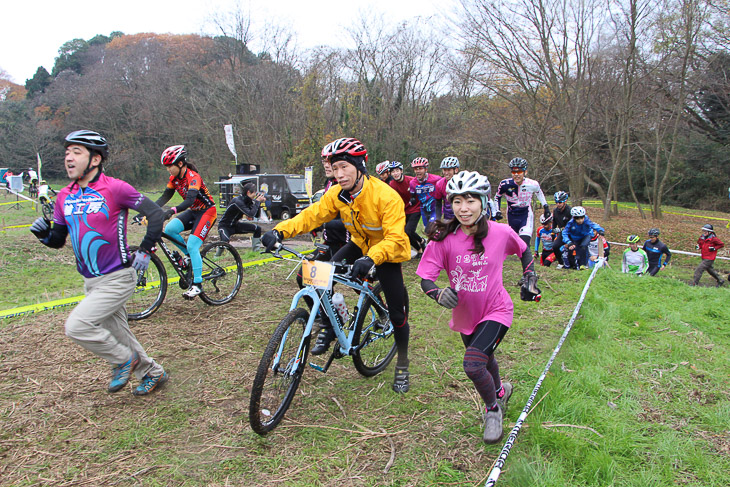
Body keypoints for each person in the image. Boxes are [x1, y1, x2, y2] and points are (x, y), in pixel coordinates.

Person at [262, 137, 413, 393]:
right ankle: (331, 325)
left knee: (398, 315)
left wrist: (371, 258)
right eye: (335, 167)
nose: (339, 174)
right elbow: (311, 216)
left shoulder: (386, 196)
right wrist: (279, 231)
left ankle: (402, 364)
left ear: (360, 166)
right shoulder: (337, 194)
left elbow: (396, 238)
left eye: (345, 167)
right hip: (358, 245)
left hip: (386, 252)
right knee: (312, 276)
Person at [29, 130, 168, 396]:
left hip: (118, 277)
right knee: (119, 333)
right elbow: (58, 240)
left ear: (95, 160)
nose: (68, 158)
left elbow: (155, 213)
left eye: (76, 152)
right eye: (67, 152)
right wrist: (43, 235)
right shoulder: (63, 197)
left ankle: (123, 360)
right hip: (91, 281)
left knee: (77, 326)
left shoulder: (115, 188)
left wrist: (146, 250)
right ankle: (153, 372)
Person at [416, 170, 540, 444]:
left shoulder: (500, 232)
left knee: (473, 365)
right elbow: (426, 277)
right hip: (465, 314)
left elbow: (524, 250)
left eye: (471, 200)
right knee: (486, 357)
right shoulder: (444, 238)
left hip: (497, 310)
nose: (464, 208)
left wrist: (529, 276)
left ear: (483, 202)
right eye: (457, 201)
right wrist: (437, 294)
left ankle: (492, 410)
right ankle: (500, 390)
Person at [155, 145, 217, 299]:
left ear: (180, 163)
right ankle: (189, 256)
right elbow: (164, 197)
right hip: (194, 211)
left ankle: (197, 285)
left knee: (192, 244)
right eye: (166, 166)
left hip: (207, 212)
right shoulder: (174, 179)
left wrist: (172, 211)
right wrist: (148, 211)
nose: (168, 169)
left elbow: (190, 200)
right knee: (169, 229)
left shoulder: (193, 176)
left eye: (170, 166)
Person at [494, 157, 550, 247]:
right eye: (513, 172)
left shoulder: (532, 184)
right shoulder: (505, 184)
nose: (516, 175)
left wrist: (546, 206)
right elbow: (497, 197)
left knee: (524, 244)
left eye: (519, 172)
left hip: (525, 214)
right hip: (511, 215)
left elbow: (539, 192)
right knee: (514, 245)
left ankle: (529, 261)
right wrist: (497, 211)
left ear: (525, 172)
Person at [388, 160, 427, 257]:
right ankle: (420, 248)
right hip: (403, 210)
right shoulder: (392, 185)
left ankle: (422, 242)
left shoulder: (411, 180)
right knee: (403, 233)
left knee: (408, 230)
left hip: (416, 208)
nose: (395, 173)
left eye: (397, 170)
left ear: (401, 171)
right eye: (393, 172)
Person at [217, 182, 266, 252]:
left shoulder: (248, 201)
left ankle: (256, 252)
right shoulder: (237, 201)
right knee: (224, 242)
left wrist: (259, 203)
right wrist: (257, 202)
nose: (255, 196)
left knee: (257, 229)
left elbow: (256, 215)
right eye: (254, 193)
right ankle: (217, 257)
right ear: (248, 192)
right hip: (224, 226)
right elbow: (250, 214)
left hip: (235, 225)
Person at [409, 157, 445, 229]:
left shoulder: (436, 179)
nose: (418, 171)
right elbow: (413, 197)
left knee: (431, 229)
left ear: (426, 169)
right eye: (416, 169)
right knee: (428, 231)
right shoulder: (412, 183)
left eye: (420, 168)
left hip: (435, 208)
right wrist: (412, 200)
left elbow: (444, 185)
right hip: (424, 210)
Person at [550, 191, 572, 268]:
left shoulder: (570, 211)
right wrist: (553, 232)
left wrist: (561, 229)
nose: (558, 204)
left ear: (565, 201)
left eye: (560, 202)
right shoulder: (555, 211)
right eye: (557, 202)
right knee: (555, 246)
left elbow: (571, 225)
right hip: (562, 233)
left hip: (571, 233)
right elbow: (554, 222)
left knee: (570, 247)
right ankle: (561, 262)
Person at [437, 156, 460, 221]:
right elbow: (438, 203)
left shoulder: (462, 181)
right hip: (448, 216)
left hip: (461, 215)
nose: (446, 173)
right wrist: (438, 219)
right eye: (444, 170)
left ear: (456, 170)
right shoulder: (440, 184)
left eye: (449, 170)